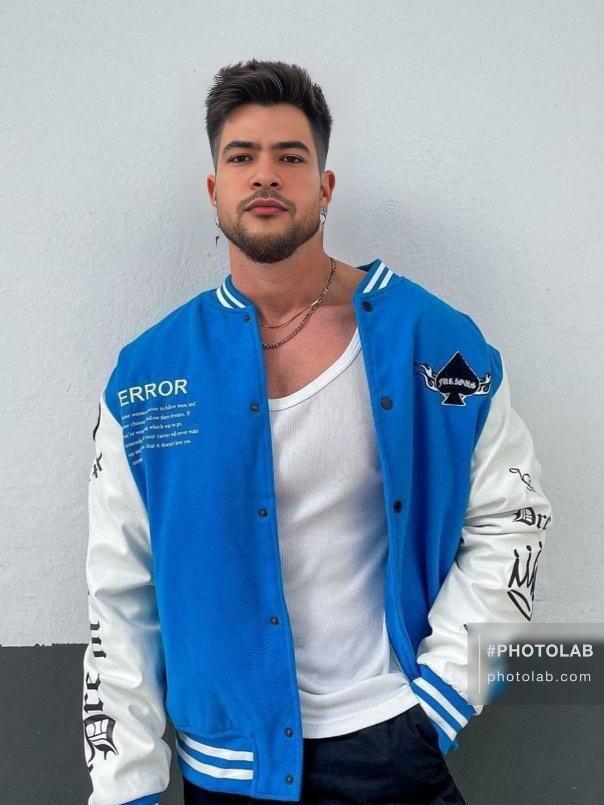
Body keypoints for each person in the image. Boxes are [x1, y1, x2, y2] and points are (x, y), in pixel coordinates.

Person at [82, 60, 553, 805]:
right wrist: (123, 790)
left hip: (395, 748)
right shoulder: (147, 379)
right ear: (214, 190)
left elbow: (513, 517)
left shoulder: (431, 343)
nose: (265, 175)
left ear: (325, 187)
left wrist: (441, 700)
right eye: (242, 157)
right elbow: (120, 596)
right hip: (228, 771)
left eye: (290, 157)